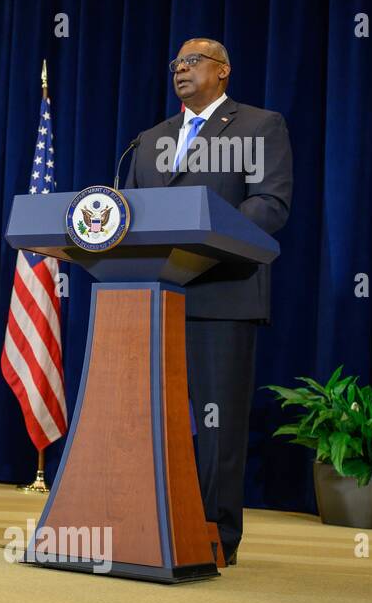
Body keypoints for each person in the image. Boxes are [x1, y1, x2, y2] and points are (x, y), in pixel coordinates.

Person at [124, 37, 293, 565]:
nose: (180, 69)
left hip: (222, 293)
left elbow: (269, 205)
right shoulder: (149, 139)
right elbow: (127, 211)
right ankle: (150, 523)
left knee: (217, 425)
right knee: (152, 419)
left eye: (192, 61)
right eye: (175, 63)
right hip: (153, 296)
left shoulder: (260, 125)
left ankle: (214, 534)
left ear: (223, 71)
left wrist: (202, 241)